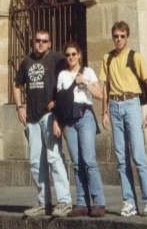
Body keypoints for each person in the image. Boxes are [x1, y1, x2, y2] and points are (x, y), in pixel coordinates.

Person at [100, 21, 147, 218]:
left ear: (127, 37)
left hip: (132, 104)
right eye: (115, 36)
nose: (118, 40)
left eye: (122, 36)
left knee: (139, 156)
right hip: (114, 106)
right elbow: (105, 87)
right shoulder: (107, 58)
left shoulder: (135, 57)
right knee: (121, 158)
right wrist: (104, 112)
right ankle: (129, 201)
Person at [13, 29, 72, 218]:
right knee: (36, 162)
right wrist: (19, 106)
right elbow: (16, 85)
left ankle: (64, 201)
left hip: (49, 115)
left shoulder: (57, 59)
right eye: (37, 40)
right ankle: (43, 202)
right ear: (33, 42)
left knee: (54, 158)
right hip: (32, 117)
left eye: (44, 41)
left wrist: (59, 104)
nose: (40, 43)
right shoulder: (26, 61)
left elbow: (69, 78)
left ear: (50, 43)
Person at [52, 41, 106, 218]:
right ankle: (82, 202)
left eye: (73, 54)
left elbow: (100, 95)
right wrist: (57, 122)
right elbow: (59, 102)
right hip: (69, 121)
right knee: (76, 163)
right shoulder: (62, 75)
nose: (70, 58)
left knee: (89, 160)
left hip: (85, 117)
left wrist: (85, 83)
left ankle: (98, 202)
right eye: (68, 55)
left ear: (79, 55)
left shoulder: (88, 71)